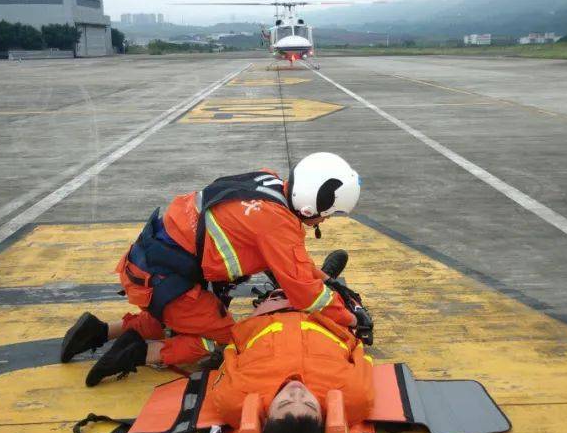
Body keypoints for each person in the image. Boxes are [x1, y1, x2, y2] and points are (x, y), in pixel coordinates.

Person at [60, 152, 367, 387]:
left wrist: (327, 280)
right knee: (226, 336)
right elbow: (305, 292)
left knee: (177, 319)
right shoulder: (277, 225)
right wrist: (349, 316)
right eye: (326, 215)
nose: (323, 221)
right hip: (167, 281)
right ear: (313, 206)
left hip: (150, 267)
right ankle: (139, 353)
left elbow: (291, 263)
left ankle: (99, 331)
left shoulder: (267, 181)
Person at [207, 276, 374, 433]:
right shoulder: (354, 393)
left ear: (266, 421)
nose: (297, 393)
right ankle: (319, 277)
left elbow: (232, 351)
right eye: (310, 404)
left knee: (283, 285)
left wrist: (255, 320)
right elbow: (358, 350)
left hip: (269, 315)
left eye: (284, 403)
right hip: (323, 315)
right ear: (323, 420)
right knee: (312, 283)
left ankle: (289, 278)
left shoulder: (235, 395)